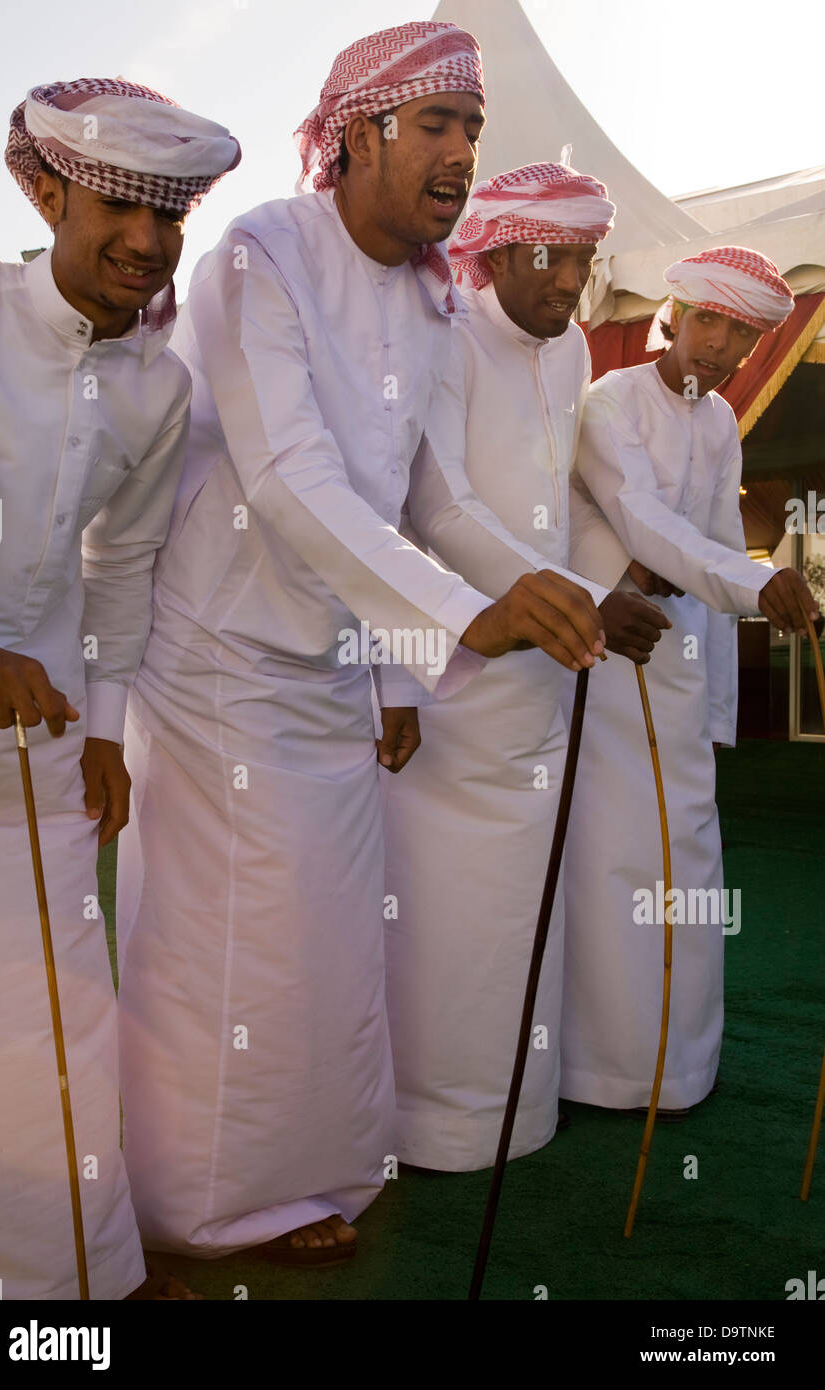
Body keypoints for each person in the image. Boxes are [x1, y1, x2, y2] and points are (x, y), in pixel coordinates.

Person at [116, 23, 612, 1267]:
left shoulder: (430, 295)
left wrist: (536, 588)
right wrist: (455, 617)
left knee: (331, 947)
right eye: (436, 126)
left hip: (331, 665)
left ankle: (311, 1177)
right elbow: (287, 476)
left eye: (472, 134)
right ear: (359, 133)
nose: (459, 156)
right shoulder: (260, 255)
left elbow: (431, 501)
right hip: (218, 661)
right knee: (234, 950)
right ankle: (196, 1205)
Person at [0, 77, 239, 1299]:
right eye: (120, 205)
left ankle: (72, 1285)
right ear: (51, 192)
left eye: (170, 216)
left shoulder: (157, 386)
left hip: (42, 759)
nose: (145, 240)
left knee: (53, 1026)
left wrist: (110, 733)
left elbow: (118, 569)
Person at [380, 163, 669, 1171]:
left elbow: (558, 502)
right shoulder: (444, 336)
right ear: (496, 250)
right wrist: (565, 595)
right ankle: (428, 1128)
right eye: (555, 256)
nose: (572, 280)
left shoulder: (572, 349)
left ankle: (521, 1111)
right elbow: (438, 507)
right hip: (453, 663)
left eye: (587, 259)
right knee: (449, 908)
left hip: (546, 668)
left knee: (521, 910)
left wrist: (596, 586)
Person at [561, 246, 820, 1116]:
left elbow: (703, 544)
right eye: (708, 320)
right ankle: (602, 1071)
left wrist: (716, 712)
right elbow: (641, 523)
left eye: (740, 334)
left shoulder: (716, 425)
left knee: (688, 861)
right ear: (675, 311)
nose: (718, 346)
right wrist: (755, 579)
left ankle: (679, 1069)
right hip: (605, 661)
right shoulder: (608, 401)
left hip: (677, 672)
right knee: (613, 858)